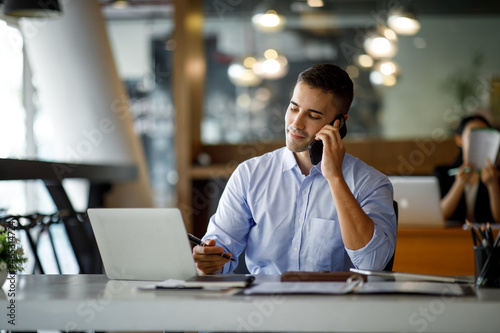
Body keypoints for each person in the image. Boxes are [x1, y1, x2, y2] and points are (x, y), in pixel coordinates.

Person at [193, 64, 397, 275]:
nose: (296, 124)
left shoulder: (371, 183)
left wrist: (335, 178)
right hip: (260, 300)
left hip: (335, 305)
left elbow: (373, 264)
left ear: (339, 123)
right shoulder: (250, 175)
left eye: (313, 115)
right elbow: (220, 251)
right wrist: (209, 260)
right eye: (293, 108)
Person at [434, 115, 500, 223]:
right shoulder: (443, 173)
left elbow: (498, 219)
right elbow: (439, 216)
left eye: (484, 137)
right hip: (452, 238)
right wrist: (459, 184)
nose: (479, 142)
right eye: (472, 136)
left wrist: (493, 185)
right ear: (459, 140)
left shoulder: (496, 175)